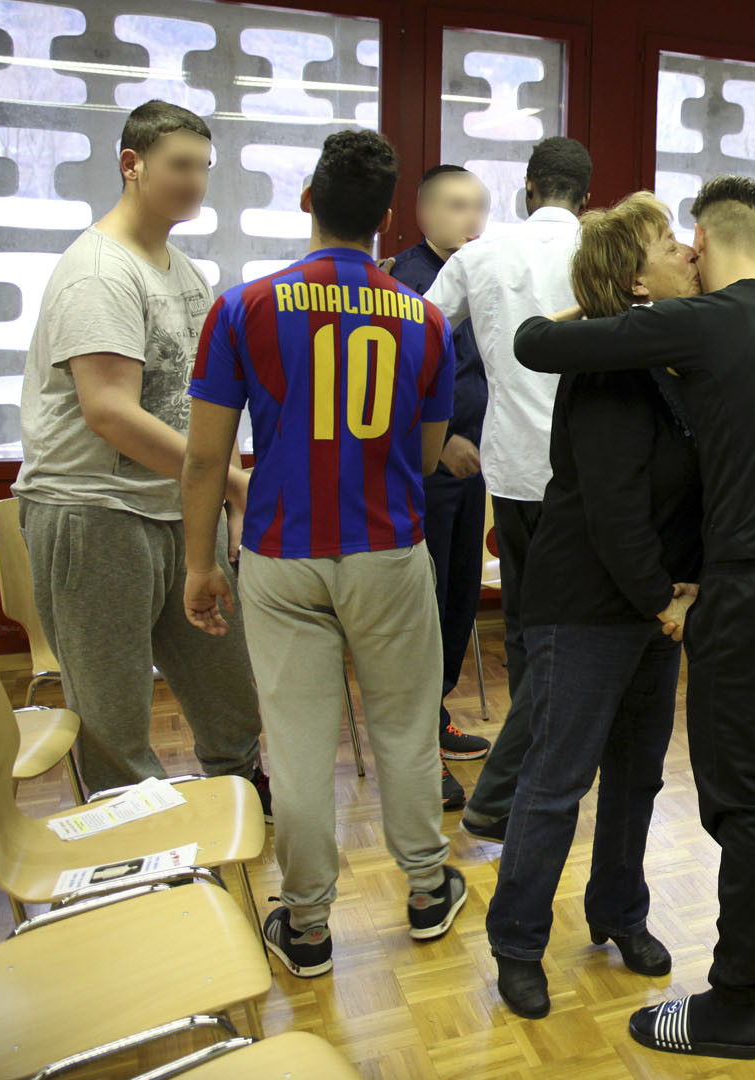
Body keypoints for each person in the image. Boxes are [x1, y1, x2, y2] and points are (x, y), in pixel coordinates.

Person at [513, 175, 755, 1061]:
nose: (680, 250)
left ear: (707, 244)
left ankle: (735, 1005)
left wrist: (595, 307)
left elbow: (531, 343)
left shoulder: (709, 322)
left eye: (686, 239)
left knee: (748, 799)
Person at [181, 128, 467, 978]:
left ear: (307, 200)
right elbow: (424, 454)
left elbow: (204, 457)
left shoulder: (242, 307)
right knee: (406, 728)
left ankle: (305, 927)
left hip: (278, 550)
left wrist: (200, 565)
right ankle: (424, 891)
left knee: (299, 742)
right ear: (386, 219)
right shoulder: (425, 319)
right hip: (387, 549)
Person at [9, 99, 266, 803]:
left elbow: (206, 405)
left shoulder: (182, 268)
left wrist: (226, 481)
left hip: (178, 508)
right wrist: (227, 484)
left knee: (228, 690)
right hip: (94, 514)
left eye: (203, 168)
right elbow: (111, 413)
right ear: (132, 165)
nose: (195, 182)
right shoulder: (98, 271)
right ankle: (139, 850)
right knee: (113, 714)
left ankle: (241, 799)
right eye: (180, 165)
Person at [487, 192, 704, 1019]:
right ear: (630, 275)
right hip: (589, 604)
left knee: (639, 779)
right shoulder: (611, 366)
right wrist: (664, 600)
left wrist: (673, 596)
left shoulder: (667, 357)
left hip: (654, 606)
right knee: (556, 781)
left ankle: (620, 913)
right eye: (666, 241)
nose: (686, 249)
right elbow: (614, 511)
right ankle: (515, 942)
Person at [427, 137, 591, 842]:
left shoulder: (479, 256)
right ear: (586, 194)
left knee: (526, 622)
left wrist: (434, 437)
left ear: (530, 188)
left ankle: (524, 774)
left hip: (516, 468)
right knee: (580, 628)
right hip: (597, 472)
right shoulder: (609, 251)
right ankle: (541, 769)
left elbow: (420, 333)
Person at [387, 164, 492, 811]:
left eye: (479, 207)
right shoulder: (403, 279)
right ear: (424, 213)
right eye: (456, 206)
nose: (471, 220)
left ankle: (437, 714)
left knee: (457, 601)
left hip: (475, 470)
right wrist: (442, 435)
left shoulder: (479, 271)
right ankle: (416, 748)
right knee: (419, 610)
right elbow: (393, 378)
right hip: (420, 471)